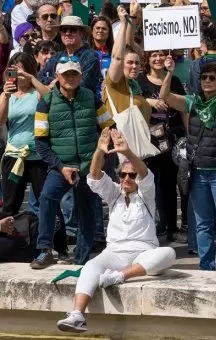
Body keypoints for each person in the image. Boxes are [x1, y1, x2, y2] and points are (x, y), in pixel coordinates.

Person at [55, 128, 176, 333]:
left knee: (168, 253)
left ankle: (119, 276)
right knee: (91, 266)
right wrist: (100, 152)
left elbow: (145, 174)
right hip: (114, 252)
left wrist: (127, 152)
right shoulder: (114, 193)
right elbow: (94, 176)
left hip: (143, 253)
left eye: (131, 175)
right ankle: (77, 314)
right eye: (123, 174)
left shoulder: (145, 193)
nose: (126, 178)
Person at [160, 55, 216, 271]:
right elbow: (165, 96)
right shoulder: (193, 102)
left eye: (212, 78)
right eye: (204, 77)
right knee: (202, 223)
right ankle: (206, 267)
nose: (207, 81)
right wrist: (169, 72)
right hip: (198, 172)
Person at [30, 57, 114, 269]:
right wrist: (60, 166)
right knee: (47, 199)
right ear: (57, 76)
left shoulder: (92, 99)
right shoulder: (45, 102)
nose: (70, 78)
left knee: (87, 211)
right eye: (65, 74)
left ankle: (82, 259)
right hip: (61, 166)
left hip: (88, 167)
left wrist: (99, 158)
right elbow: (40, 142)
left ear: (81, 76)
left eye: (74, 74)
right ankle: (44, 250)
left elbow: (109, 128)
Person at [137, 49, 187, 243]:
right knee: (151, 184)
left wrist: (188, 133)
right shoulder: (140, 81)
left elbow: (183, 108)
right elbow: (133, 101)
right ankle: (156, 225)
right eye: (153, 56)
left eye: (160, 55)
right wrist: (150, 101)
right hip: (149, 140)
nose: (157, 59)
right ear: (147, 59)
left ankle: (172, 227)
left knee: (169, 184)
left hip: (173, 138)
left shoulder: (173, 80)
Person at [0, 53, 50, 215]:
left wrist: (31, 78)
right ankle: (8, 239)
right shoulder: (6, 95)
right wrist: (6, 97)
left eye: (22, 70)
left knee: (47, 201)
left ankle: (52, 239)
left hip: (38, 156)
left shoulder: (36, 92)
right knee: (10, 204)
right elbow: (1, 121)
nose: (19, 74)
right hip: (14, 156)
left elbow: (50, 96)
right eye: (15, 70)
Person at [38, 15, 100, 93]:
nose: (67, 33)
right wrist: (56, 81)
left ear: (81, 33)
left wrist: (56, 82)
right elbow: (39, 76)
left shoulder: (91, 57)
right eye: (64, 30)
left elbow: (83, 84)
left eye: (72, 30)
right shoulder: (57, 56)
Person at [89, 16, 113, 81]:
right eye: (97, 28)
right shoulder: (85, 52)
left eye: (104, 29)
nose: (100, 30)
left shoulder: (114, 53)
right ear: (92, 31)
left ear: (109, 33)